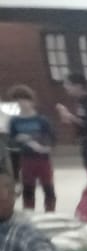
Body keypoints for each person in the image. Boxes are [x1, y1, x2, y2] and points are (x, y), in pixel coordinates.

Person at [7, 85, 56, 213]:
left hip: (43, 158)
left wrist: (33, 139)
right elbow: (11, 142)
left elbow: (51, 139)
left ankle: (50, 212)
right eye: (18, 101)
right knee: (28, 188)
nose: (21, 104)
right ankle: (29, 213)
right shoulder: (14, 121)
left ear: (31, 101)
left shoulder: (41, 120)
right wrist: (18, 140)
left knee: (48, 187)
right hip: (26, 158)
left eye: (24, 100)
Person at [55, 73, 87, 171]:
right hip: (86, 142)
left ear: (78, 86)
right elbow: (79, 122)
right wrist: (65, 116)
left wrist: (69, 115)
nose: (65, 87)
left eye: (68, 84)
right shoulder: (80, 101)